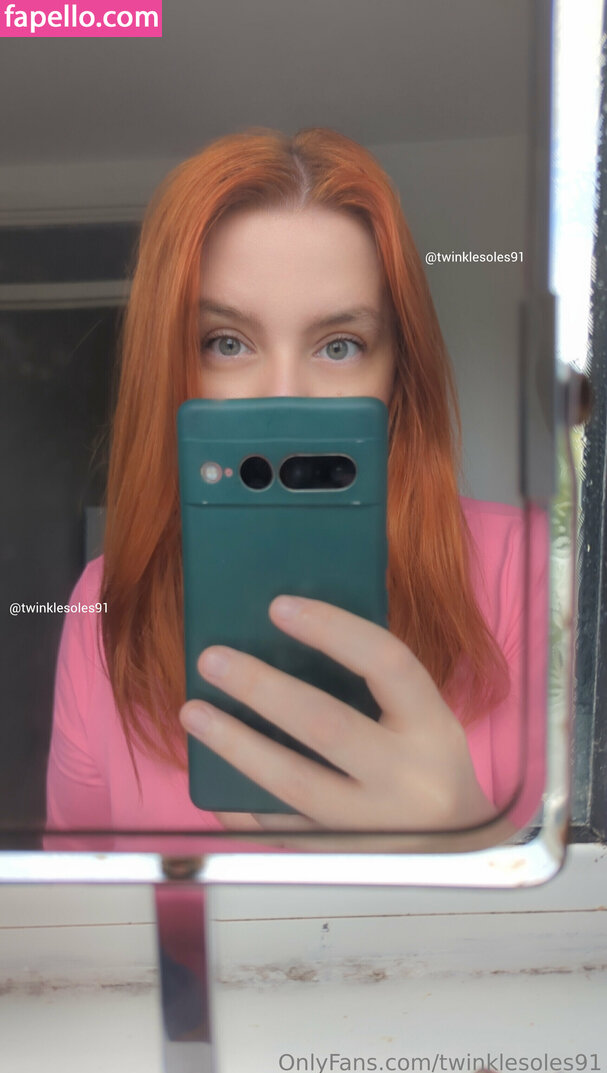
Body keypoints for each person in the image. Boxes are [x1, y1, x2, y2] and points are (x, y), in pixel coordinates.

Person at [46, 127, 548, 852]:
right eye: (225, 342)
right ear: (168, 368)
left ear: (397, 378)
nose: (284, 400)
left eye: (339, 345)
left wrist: (470, 851)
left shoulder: (531, 567)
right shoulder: (103, 602)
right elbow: (81, 897)